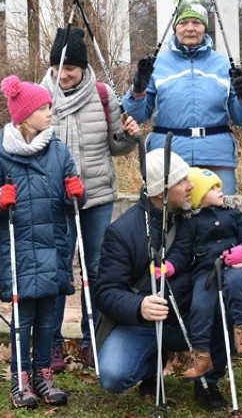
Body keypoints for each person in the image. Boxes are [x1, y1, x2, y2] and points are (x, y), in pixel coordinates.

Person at [95, 147, 231, 411]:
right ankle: (150, 370)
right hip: (142, 324)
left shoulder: (200, 219)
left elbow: (233, 248)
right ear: (160, 192)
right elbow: (106, 291)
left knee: (224, 302)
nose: (192, 185)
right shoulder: (122, 232)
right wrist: (139, 306)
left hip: (191, 318)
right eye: (182, 181)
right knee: (113, 376)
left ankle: (207, 382)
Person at [0, 75, 85, 409]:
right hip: (20, 250)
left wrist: (75, 196)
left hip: (53, 247)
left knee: (48, 320)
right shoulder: (1, 154)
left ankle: (43, 375)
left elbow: (72, 201)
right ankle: (20, 378)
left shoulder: (59, 150)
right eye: (43, 107)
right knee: (22, 320)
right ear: (24, 115)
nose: (50, 112)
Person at [40, 26, 140, 371]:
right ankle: (49, 344)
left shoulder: (103, 94)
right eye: (58, 66)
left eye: (70, 68)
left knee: (97, 270)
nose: (63, 74)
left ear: (83, 67)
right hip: (54, 200)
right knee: (55, 271)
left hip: (96, 197)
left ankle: (93, 340)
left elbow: (117, 146)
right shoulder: (40, 94)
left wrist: (129, 136)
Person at [122, 0, 242, 195]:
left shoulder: (223, 64)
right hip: (168, 157)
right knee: (168, 224)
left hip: (216, 158)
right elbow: (136, 115)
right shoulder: (157, 65)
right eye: (184, 22)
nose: (190, 29)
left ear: (205, 27)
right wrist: (139, 91)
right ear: (175, 27)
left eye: (197, 22)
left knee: (220, 222)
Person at [166, 167, 242, 379]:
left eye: (219, 186)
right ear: (199, 194)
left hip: (232, 268)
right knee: (200, 306)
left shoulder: (233, 213)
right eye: (212, 188)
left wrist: (241, 252)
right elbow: (182, 251)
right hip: (205, 273)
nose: (220, 190)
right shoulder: (191, 222)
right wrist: (169, 266)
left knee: (238, 285)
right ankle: (201, 355)